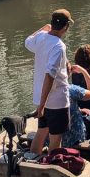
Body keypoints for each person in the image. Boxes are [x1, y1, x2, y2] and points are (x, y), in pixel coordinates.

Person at [24, 9, 73, 156]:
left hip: (41, 97)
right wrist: (43, 105)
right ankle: (50, 165)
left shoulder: (40, 37)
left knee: (41, 132)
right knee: (55, 138)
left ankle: (32, 160)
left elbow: (27, 42)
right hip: (56, 100)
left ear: (51, 24)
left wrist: (41, 105)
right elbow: (50, 75)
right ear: (65, 27)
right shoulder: (59, 46)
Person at [61, 62, 90, 149]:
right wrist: (84, 71)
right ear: (69, 73)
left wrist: (79, 110)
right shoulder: (71, 90)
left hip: (53, 136)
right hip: (72, 138)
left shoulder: (47, 89)